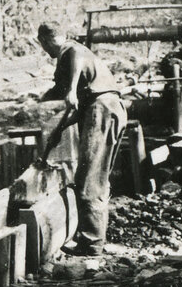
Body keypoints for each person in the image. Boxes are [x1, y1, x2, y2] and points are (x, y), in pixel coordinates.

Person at [36, 21, 127, 256]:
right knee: (95, 176)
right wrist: (60, 129)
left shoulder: (70, 50)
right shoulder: (73, 57)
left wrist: (72, 89)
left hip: (102, 108)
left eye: (44, 45)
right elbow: (78, 108)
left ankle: (92, 245)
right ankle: (91, 237)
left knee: (89, 179)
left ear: (44, 41)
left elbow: (75, 53)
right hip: (109, 108)